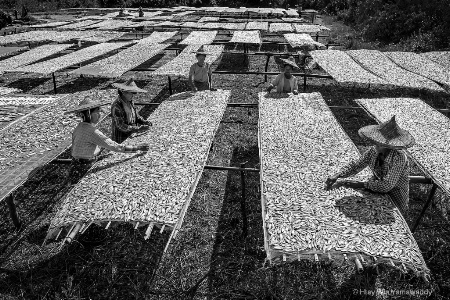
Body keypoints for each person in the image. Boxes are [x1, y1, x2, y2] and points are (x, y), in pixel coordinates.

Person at [325, 116, 414, 216]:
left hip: (396, 195)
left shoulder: (399, 157)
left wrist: (360, 184)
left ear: (390, 145)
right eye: (376, 141)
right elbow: (356, 165)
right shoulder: (373, 150)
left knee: (392, 217)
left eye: (380, 143)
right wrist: (338, 175)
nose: (376, 144)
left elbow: (387, 185)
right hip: (377, 191)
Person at [65, 96, 149, 182]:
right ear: (88, 114)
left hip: (74, 164)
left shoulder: (78, 127)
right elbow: (114, 146)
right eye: (97, 112)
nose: (99, 115)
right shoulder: (92, 131)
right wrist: (137, 148)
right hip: (84, 167)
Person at [111, 79, 152, 144]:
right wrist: (137, 129)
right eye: (131, 93)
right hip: (121, 138)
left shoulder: (130, 102)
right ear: (123, 92)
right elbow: (120, 125)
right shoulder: (117, 106)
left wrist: (143, 121)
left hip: (131, 135)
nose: (133, 95)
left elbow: (135, 115)